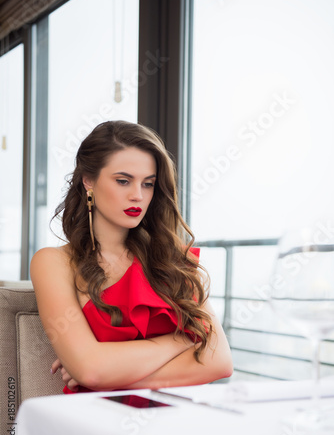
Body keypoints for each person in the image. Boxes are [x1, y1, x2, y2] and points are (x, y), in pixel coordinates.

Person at [30, 120, 233, 393]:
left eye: (148, 184)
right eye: (123, 181)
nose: (137, 195)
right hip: (93, 420)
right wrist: (182, 341)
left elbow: (219, 362)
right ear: (88, 181)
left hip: (176, 415)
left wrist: (113, 377)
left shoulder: (175, 260)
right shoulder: (53, 262)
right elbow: (91, 369)